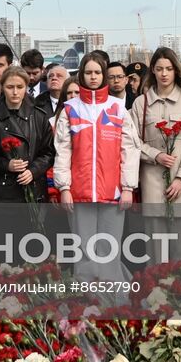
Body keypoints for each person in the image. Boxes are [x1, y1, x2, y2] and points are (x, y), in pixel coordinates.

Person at [53, 53, 140, 281]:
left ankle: (114, 306)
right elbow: (63, 151)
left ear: (104, 76)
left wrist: (128, 187)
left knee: (109, 251)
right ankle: (87, 305)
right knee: (84, 252)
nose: (93, 77)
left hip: (112, 192)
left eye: (97, 72)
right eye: (88, 72)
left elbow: (129, 150)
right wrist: (64, 188)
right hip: (80, 193)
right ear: (81, 74)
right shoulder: (70, 109)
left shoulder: (118, 108)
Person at [133, 48, 181, 239]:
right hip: (153, 187)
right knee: (156, 253)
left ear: (176, 70)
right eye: (159, 69)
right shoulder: (141, 103)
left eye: (169, 68)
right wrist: (154, 155)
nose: (164, 73)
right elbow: (132, 142)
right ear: (153, 71)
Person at [0, 66, 54, 204]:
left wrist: (33, 171)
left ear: (26, 87)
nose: (15, 92)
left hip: (34, 187)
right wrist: (6, 164)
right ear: (2, 87)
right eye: (10, 87)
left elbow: (49, 153)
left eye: (20, 87)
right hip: (2, 191)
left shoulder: (39, 116)